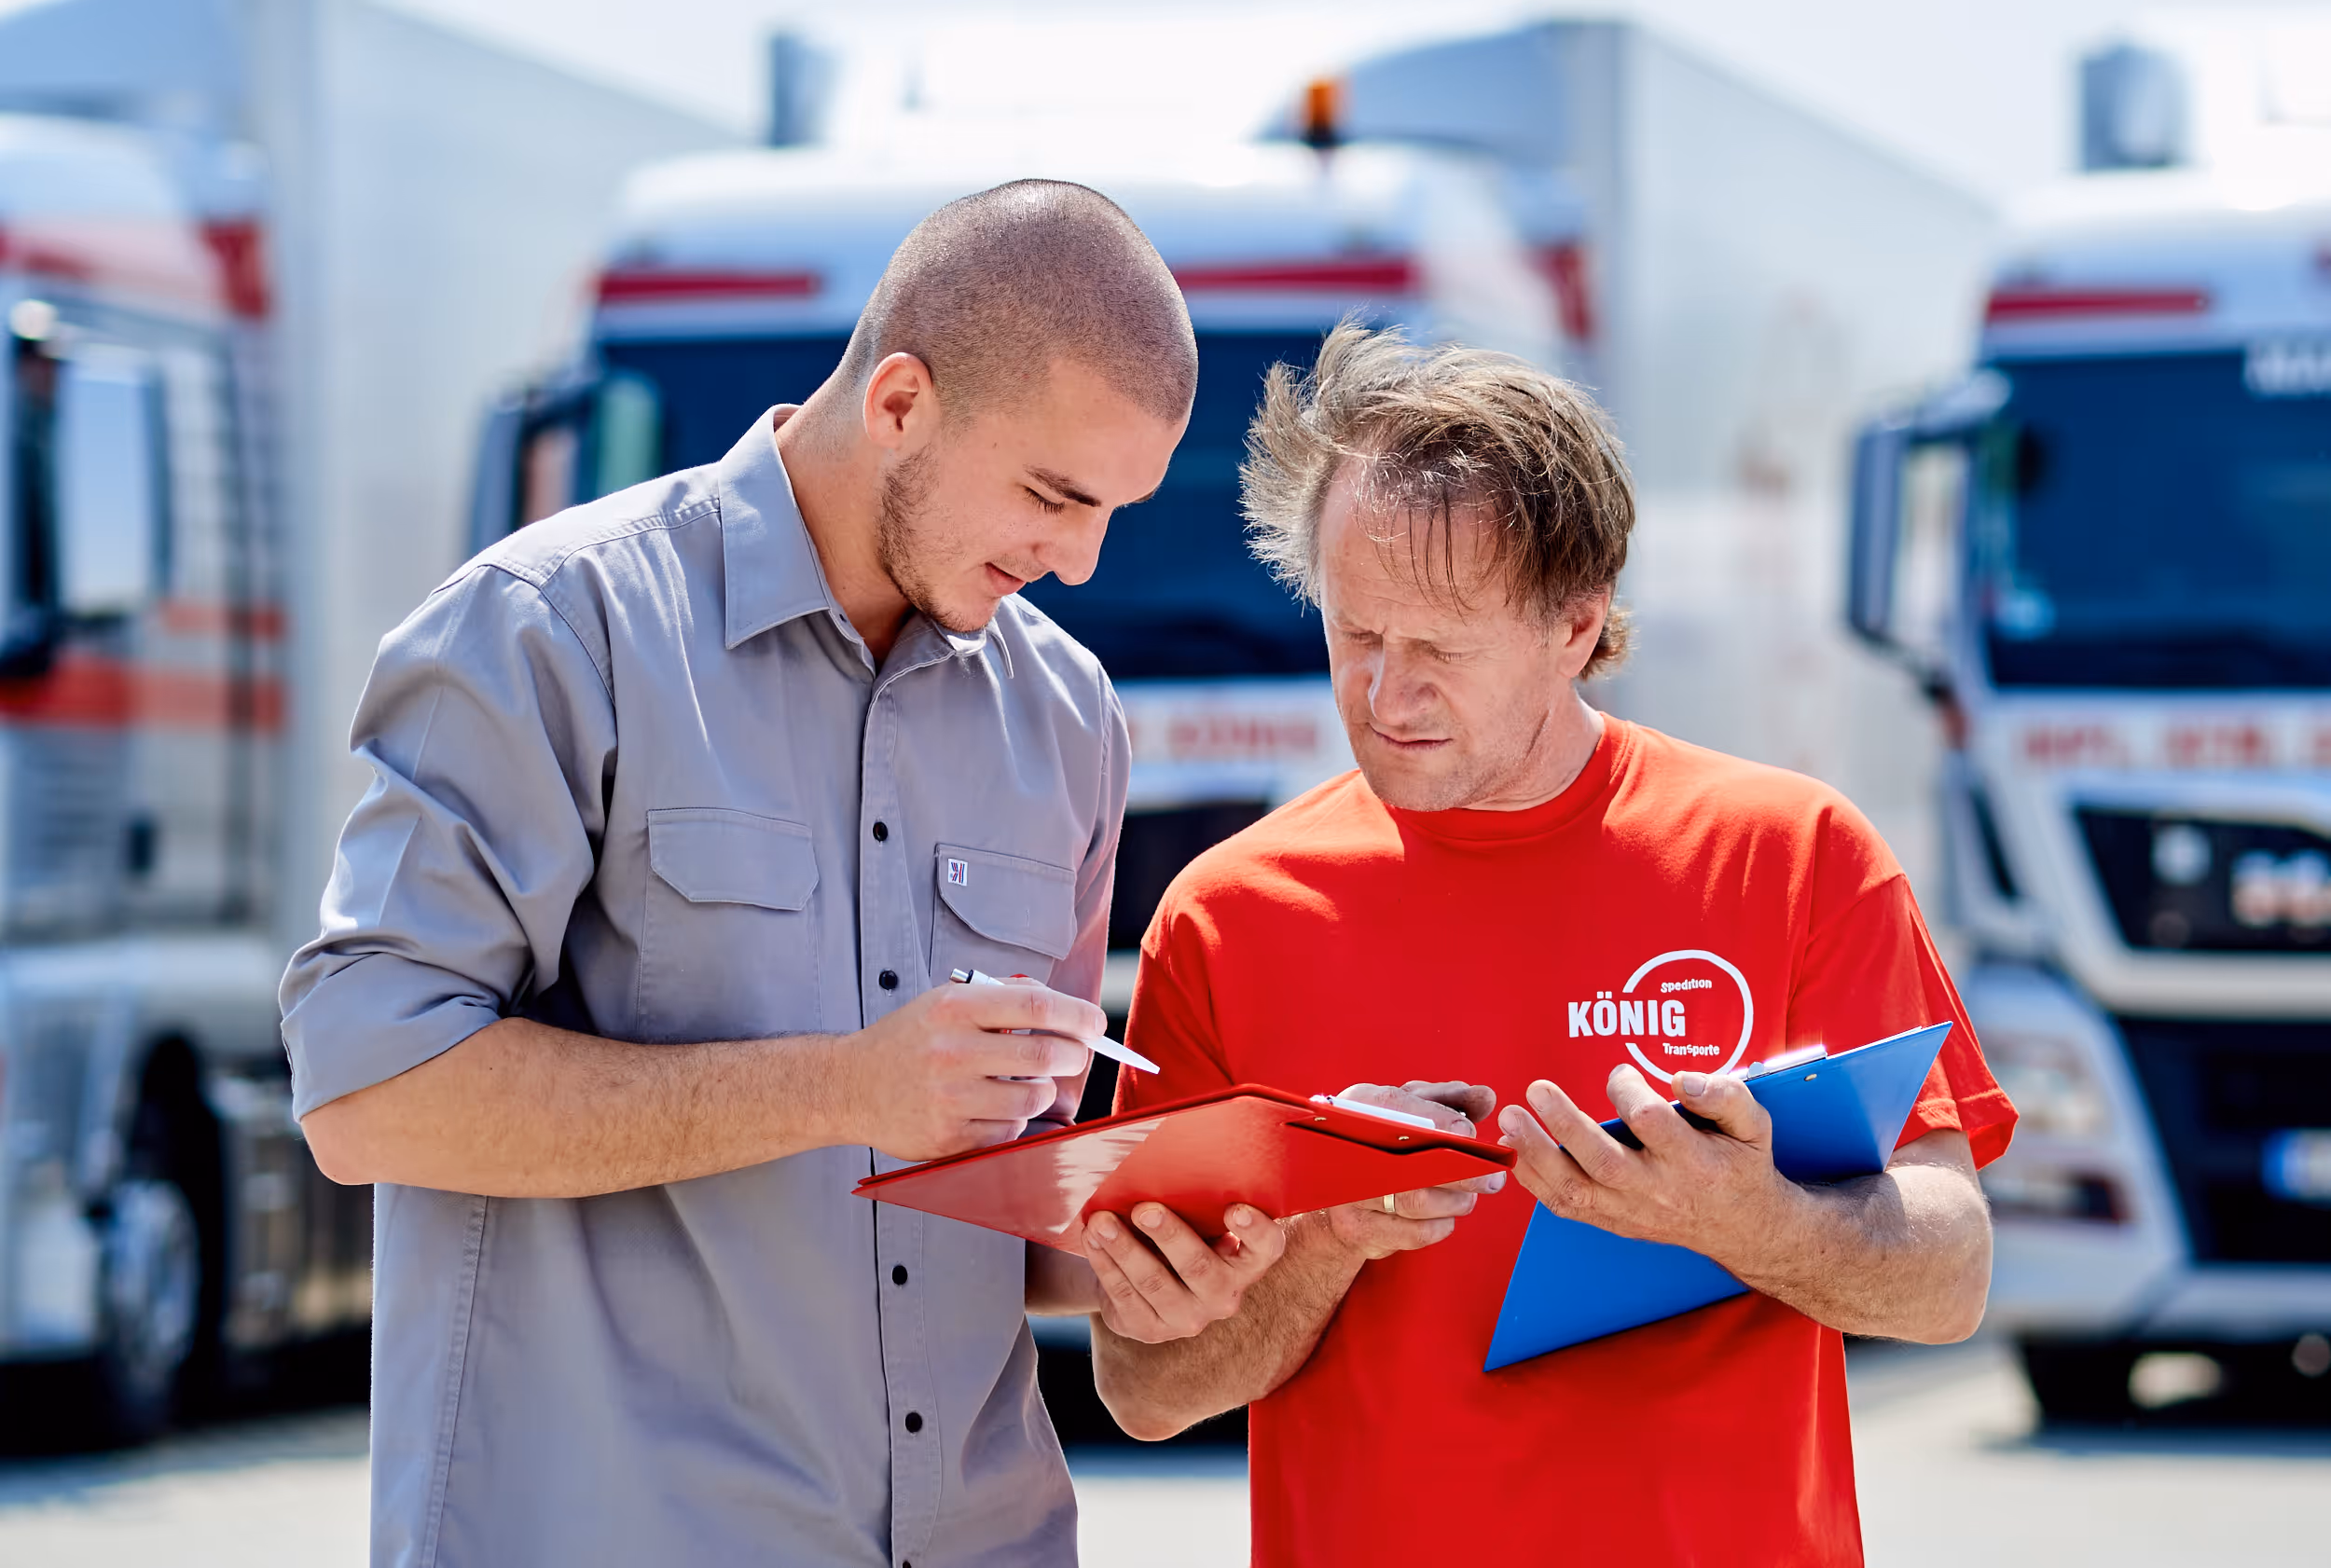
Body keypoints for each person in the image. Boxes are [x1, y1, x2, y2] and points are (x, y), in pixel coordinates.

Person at [280, 180, 1291, 1568]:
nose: (1079, 559)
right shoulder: (550, 630)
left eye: (1113, 510)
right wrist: (842, 1088)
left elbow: (1004, 1192)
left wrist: (1151, 1253)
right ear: (900, 402)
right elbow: (367, 1093)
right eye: (1055, 495)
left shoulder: (1068, 719)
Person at [1079, 323, 2018, 1567]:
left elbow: (1953, 1276)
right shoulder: (1229, 917)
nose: (1385, 694)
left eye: (1440, 648)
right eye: (1356, 635)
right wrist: (1327, 1236)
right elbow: (1144, 1387)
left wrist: (1749, 1219)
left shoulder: (1792, 857)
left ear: (1578, 625)